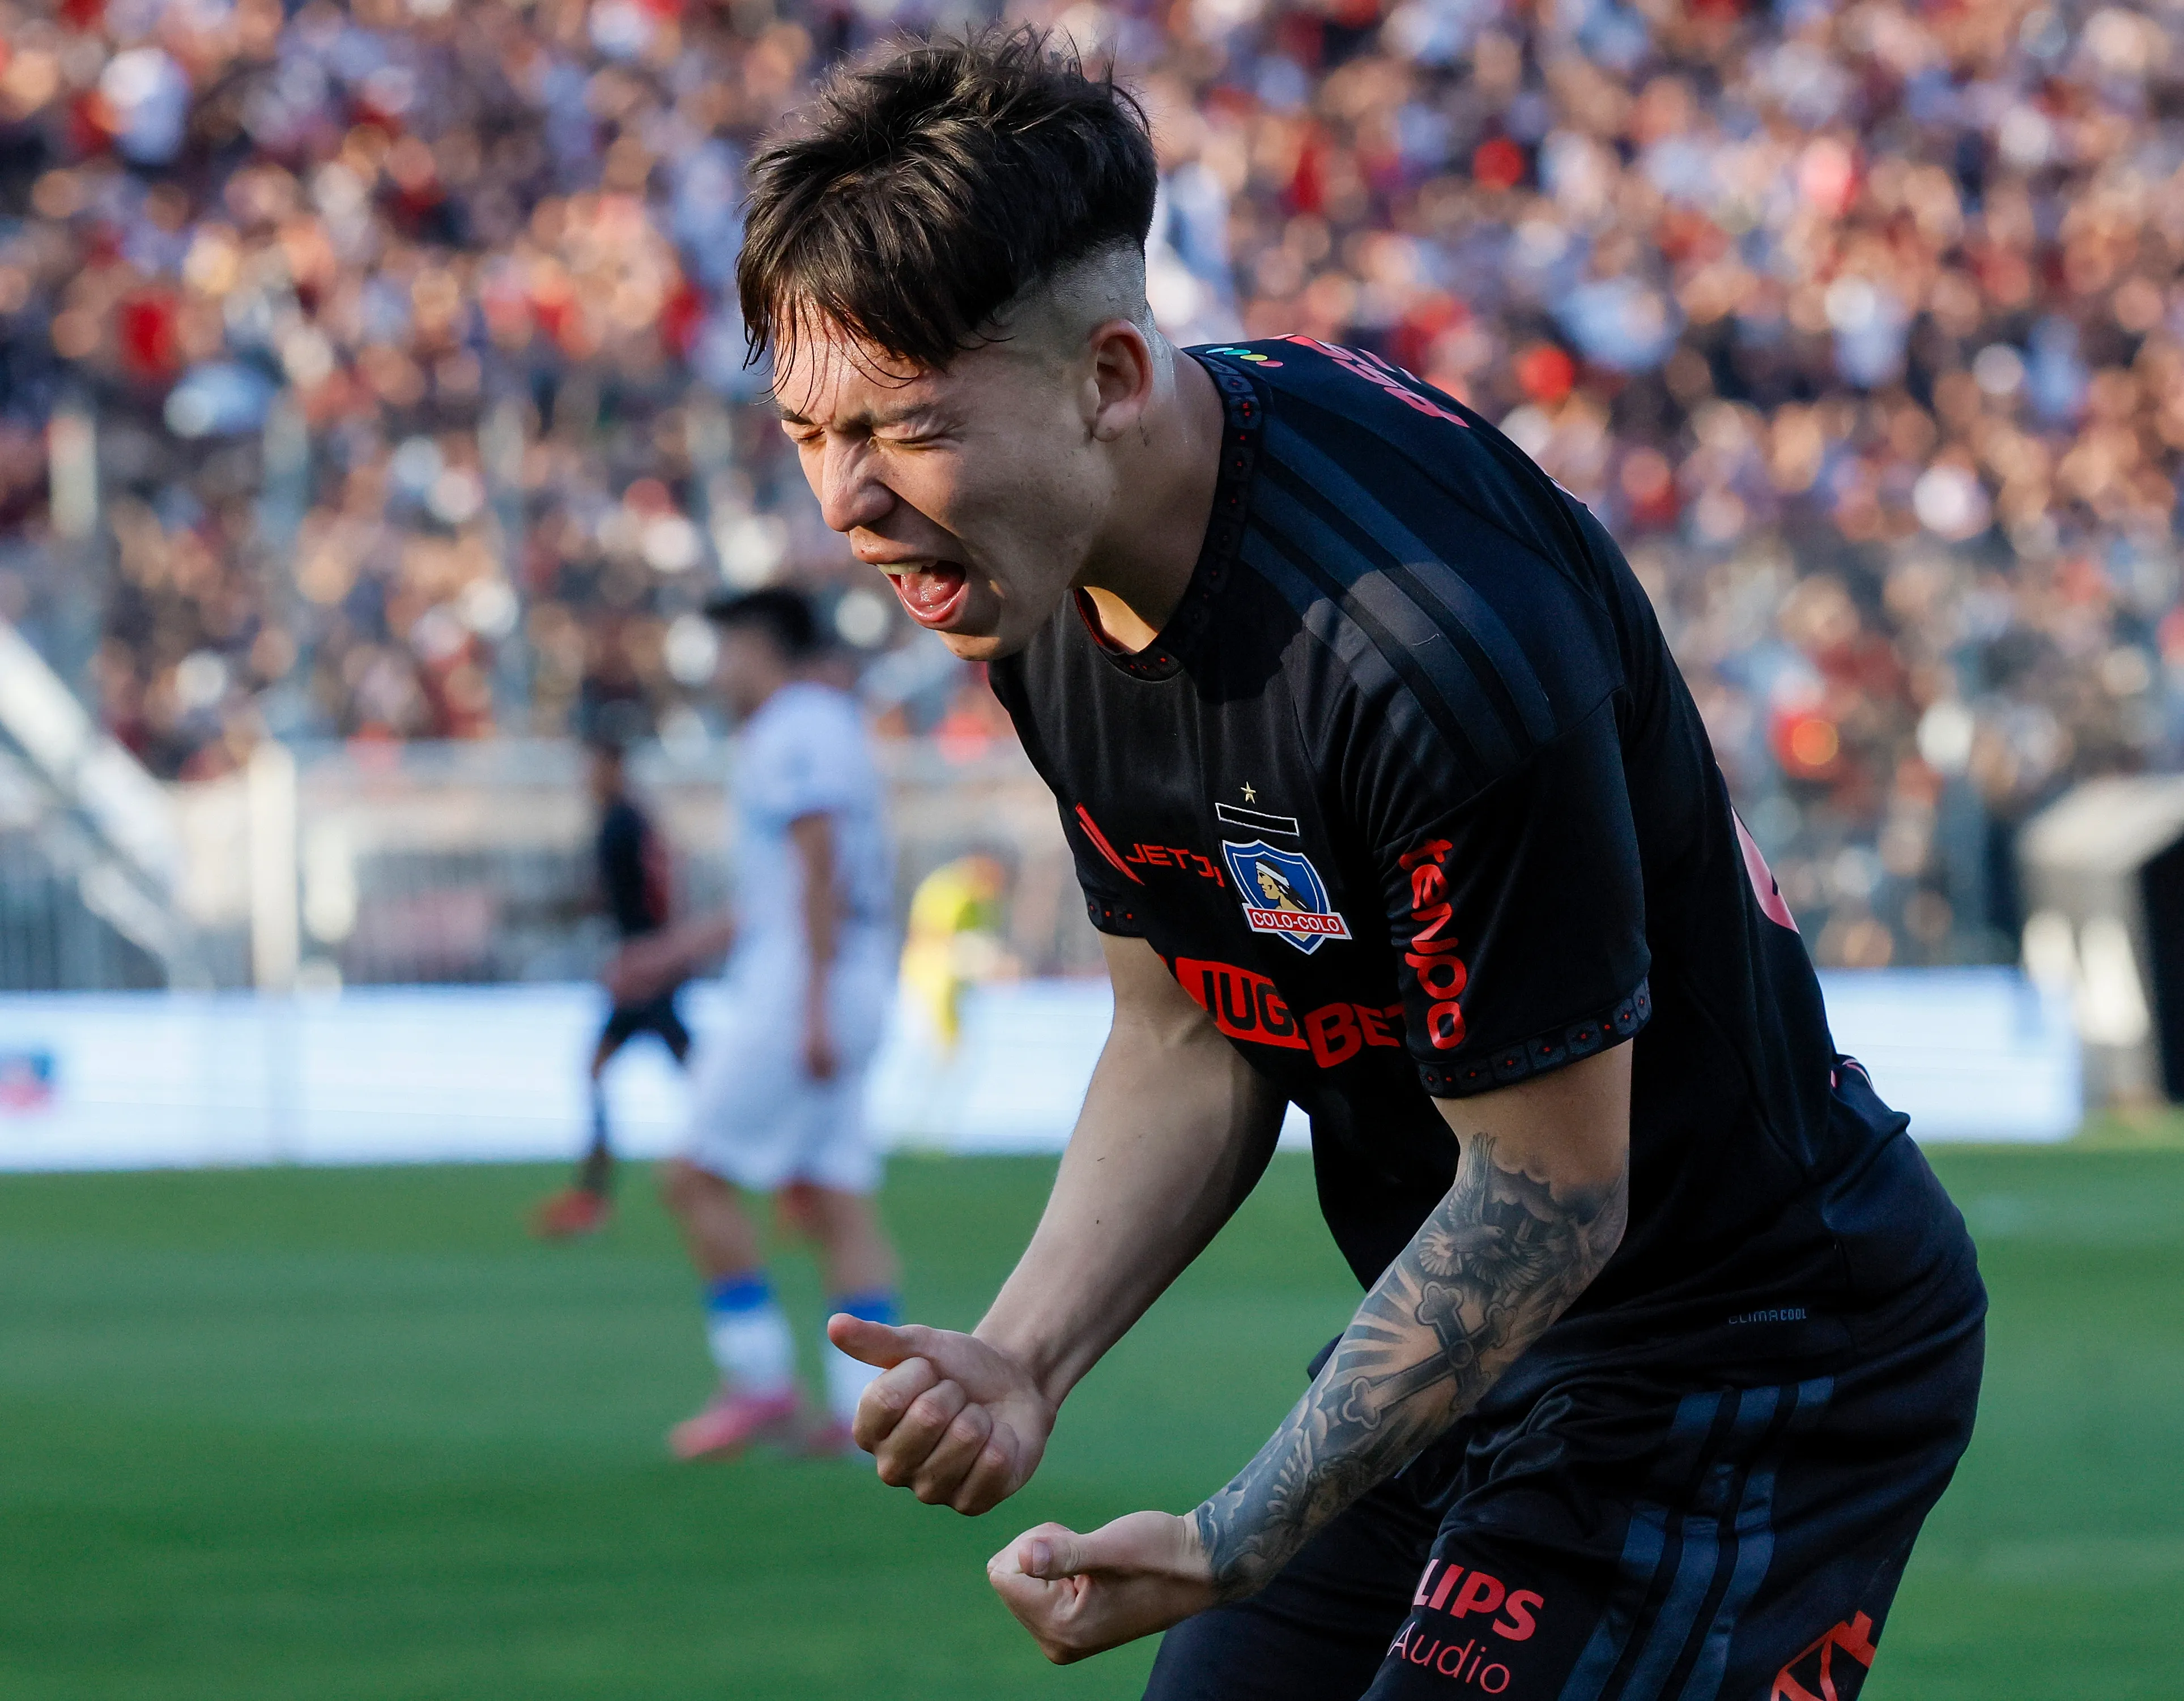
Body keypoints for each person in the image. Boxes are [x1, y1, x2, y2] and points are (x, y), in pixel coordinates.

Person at [740, 31, 1987, 1699]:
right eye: (810, 433)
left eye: (900, 429)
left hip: (1744, 1353)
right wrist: (1024, 1353)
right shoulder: (1034, 570)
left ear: (1108, 374)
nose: (848, 501)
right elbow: (1187, 1024)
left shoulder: (1419, 655)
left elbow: (1551, 1192)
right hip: (1480, 1337)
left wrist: (1232, 1529)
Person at [607, 587, 905, 1460]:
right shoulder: (830, 722)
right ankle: (867, 1413)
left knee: (692, 1174)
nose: (716, 669)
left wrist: (810, 1003)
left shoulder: (792, 727)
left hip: (805, 985)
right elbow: (780, 891)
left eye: (724, 647)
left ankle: (759, 1381)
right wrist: (670, 954)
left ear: (758, 645)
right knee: (833, 1195)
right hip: (842, 976)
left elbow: (818, 869)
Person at [532, 731, 693, 1239]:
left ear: (613, 767)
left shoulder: (620, 822)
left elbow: (640, 893)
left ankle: (594, 1196)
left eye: (594, 765)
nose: (587, 777)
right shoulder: (634, 818)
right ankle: (593, 1194)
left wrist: (652, 952)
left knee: (688, 1080)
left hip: (643, 968)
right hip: (650, 963)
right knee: (687, 1077)